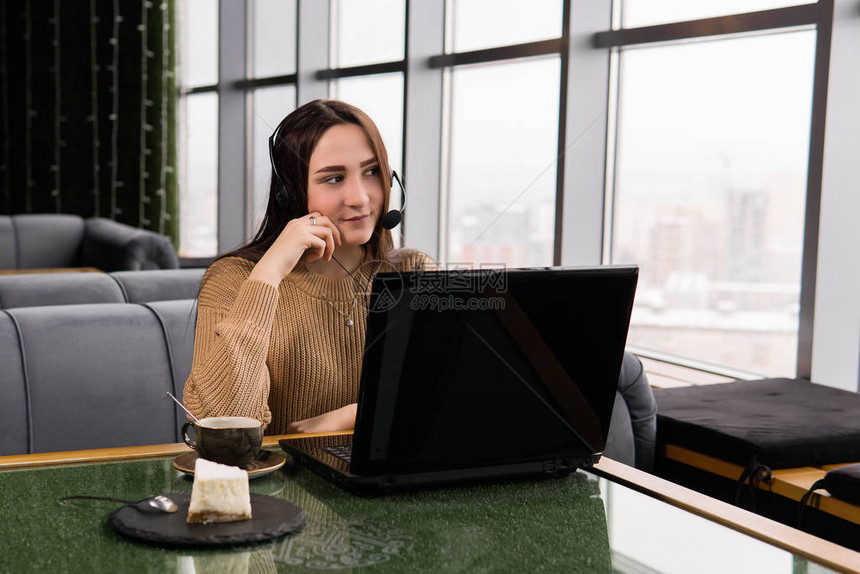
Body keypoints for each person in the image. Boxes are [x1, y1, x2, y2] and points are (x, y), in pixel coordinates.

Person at [183, 99, 433, 435]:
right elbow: (225, 428)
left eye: (372, 171)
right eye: (334, 178)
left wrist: (352, 417)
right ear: (292, 194)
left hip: (392, 481)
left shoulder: (413, 271)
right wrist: (269, 273)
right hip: (279, 484)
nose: (359, 197)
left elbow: (449, 397)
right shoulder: (233, 279)